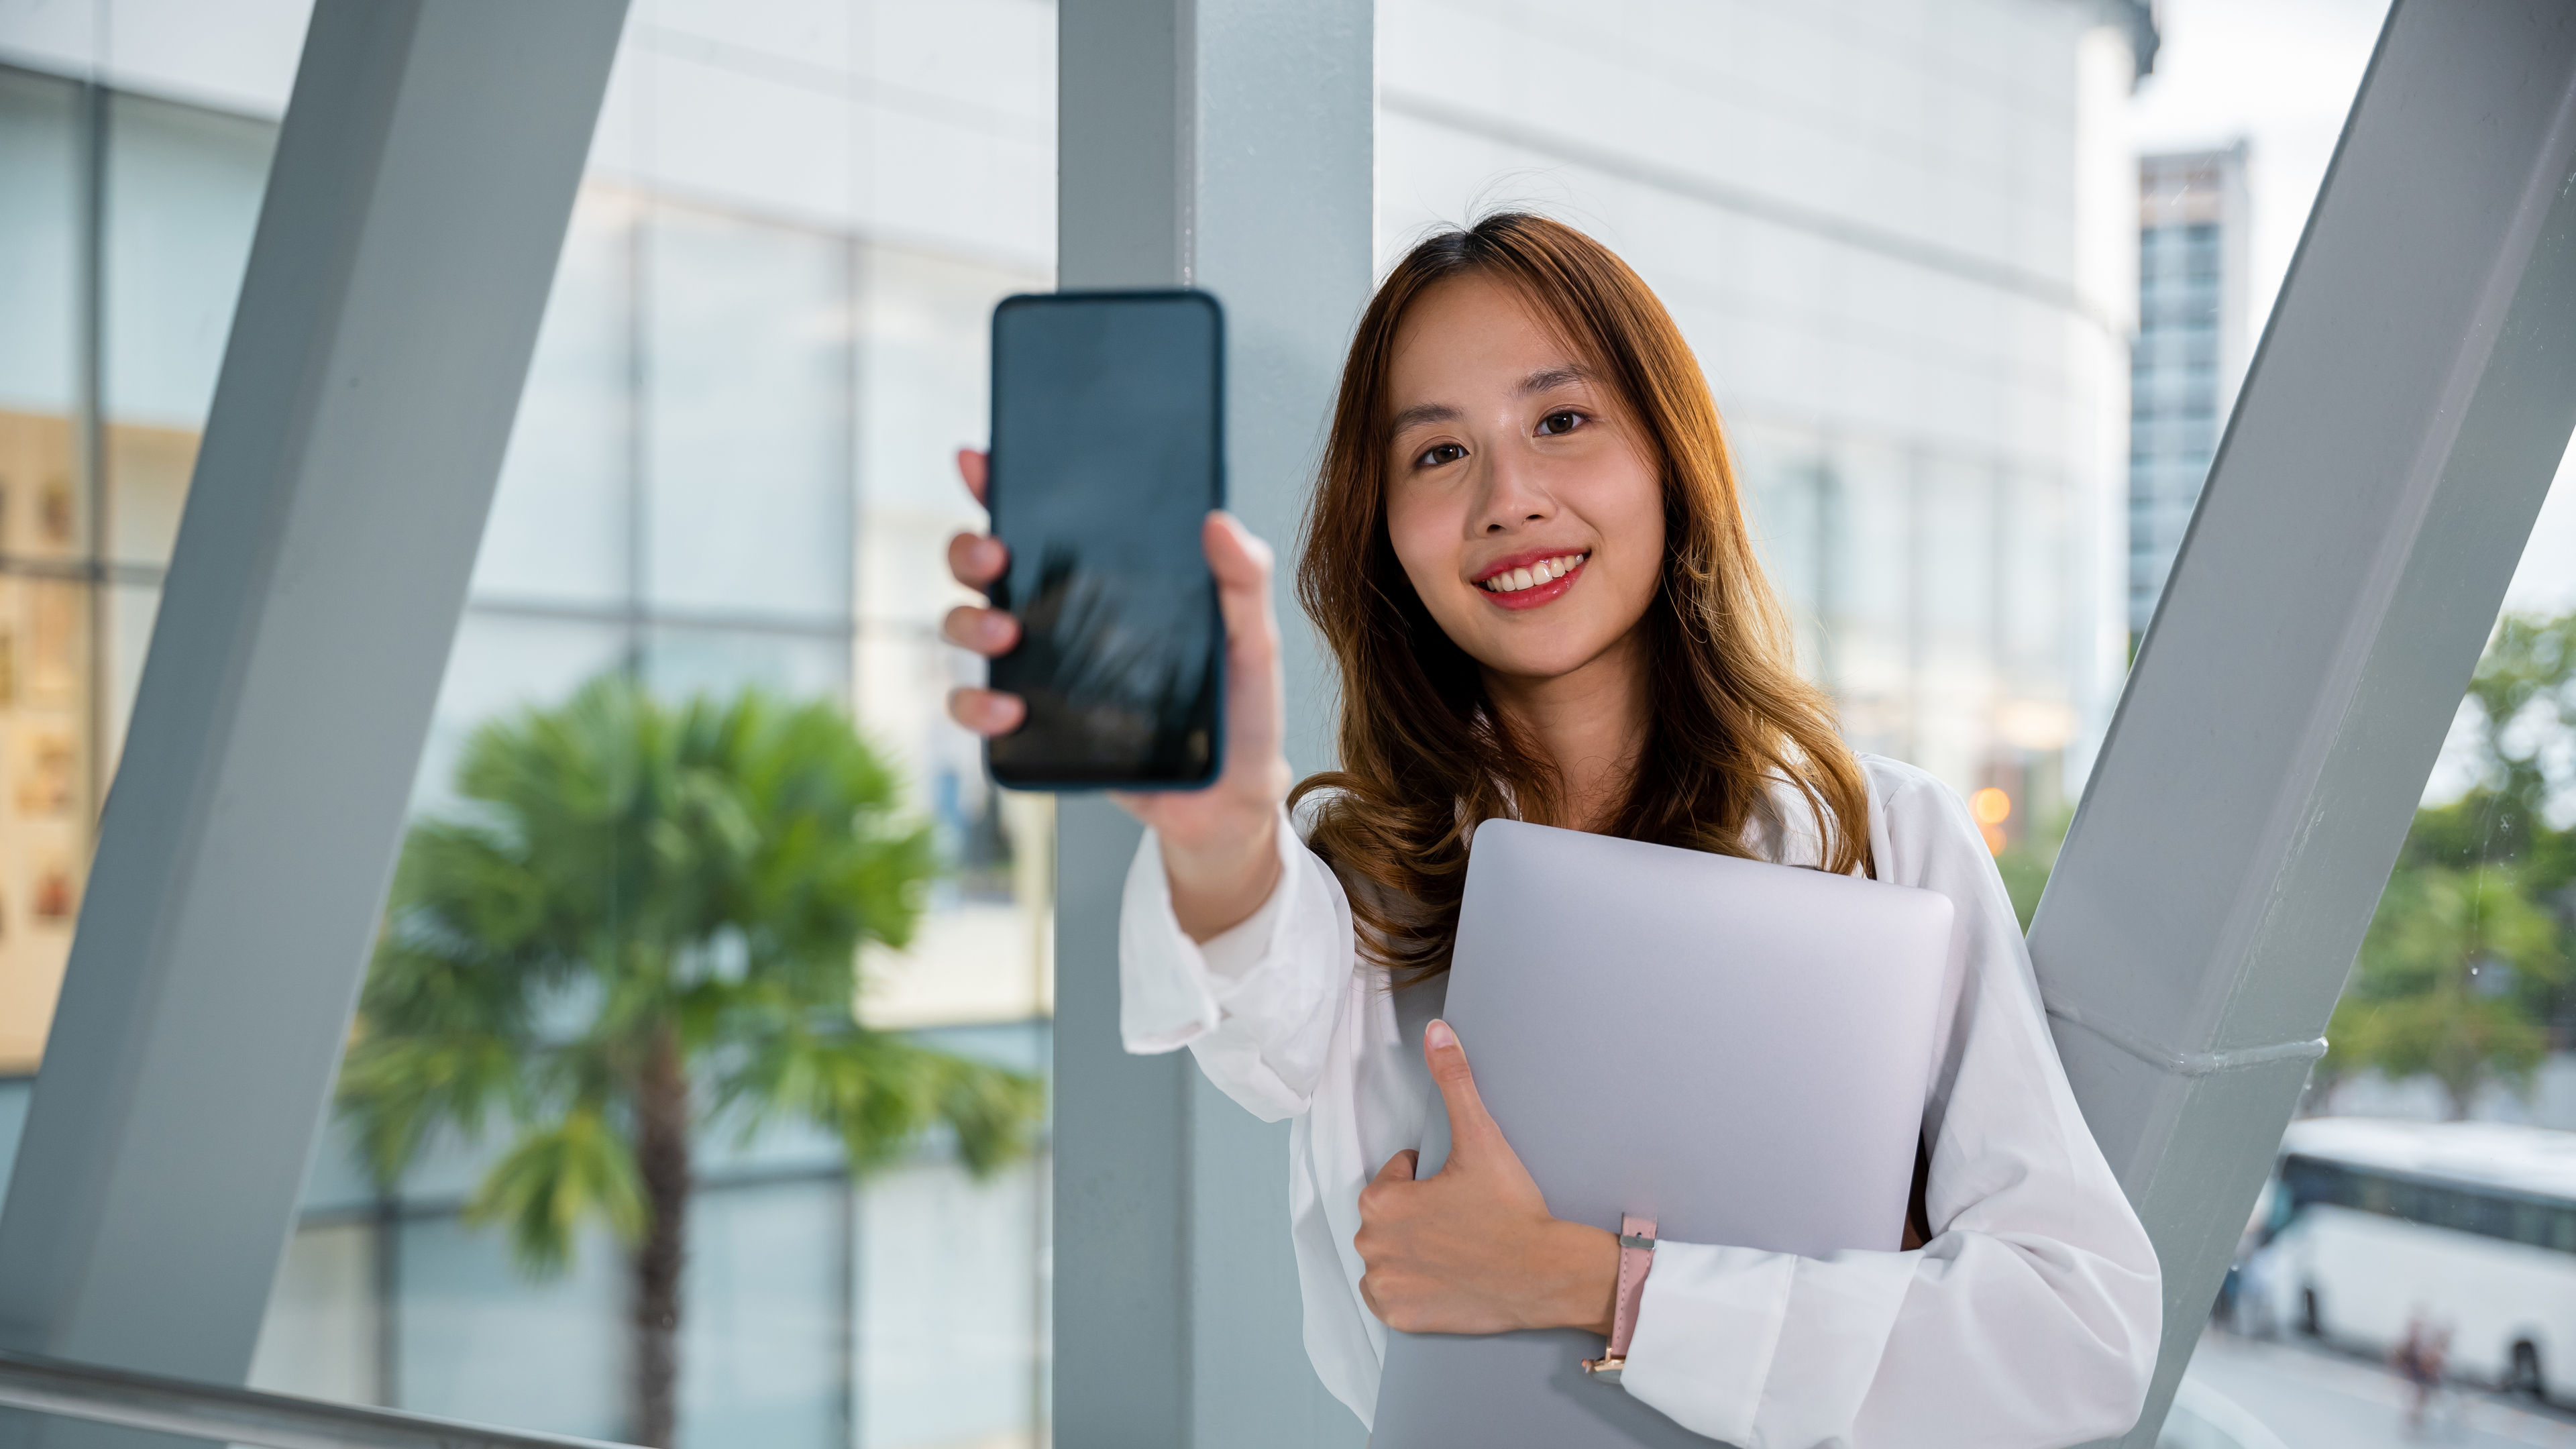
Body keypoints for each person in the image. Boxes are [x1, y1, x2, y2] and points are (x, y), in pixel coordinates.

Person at [943, 213, 2161, 1446]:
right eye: (1436, 456)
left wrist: (1587, 1281)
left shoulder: (1880, 837)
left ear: (1669, 457)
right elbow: (1255, 975)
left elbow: (2078, 1338)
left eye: (1562, 422)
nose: (1507, 500)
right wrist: (1217, 818)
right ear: (1384, 533)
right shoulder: (1364, 890)